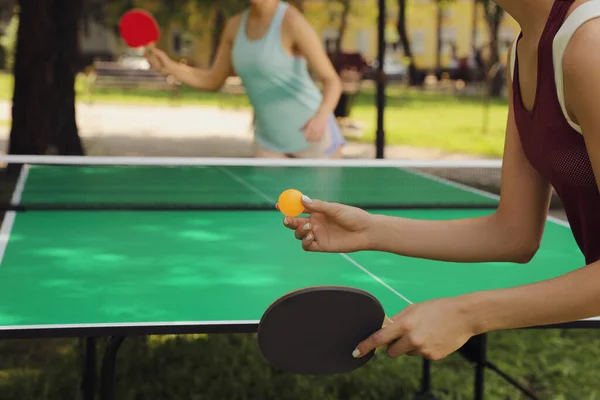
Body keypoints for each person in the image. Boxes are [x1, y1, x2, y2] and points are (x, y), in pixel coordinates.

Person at [281, 0, 600, 361]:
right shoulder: (523, 51)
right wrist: (369, 230)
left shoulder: (591, 44)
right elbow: (514, 233)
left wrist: (467, 314)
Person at [145, 0, 345, 159]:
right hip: (268, 142)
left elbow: (332, 80)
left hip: (316, 141)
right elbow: (212, 79)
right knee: (268, 209)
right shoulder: (233, 26)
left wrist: (321, 118)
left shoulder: (291, 21)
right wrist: (169, 66)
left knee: (320, 210)